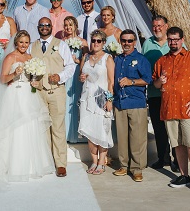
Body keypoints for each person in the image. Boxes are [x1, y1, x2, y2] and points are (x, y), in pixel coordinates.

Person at [0, 30, 54, 190]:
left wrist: (35, 82)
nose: (24, 45)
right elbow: (2, 79)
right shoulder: (10, 57)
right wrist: (14, 73)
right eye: (21, 42)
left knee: (29, 126)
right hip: (13, 95)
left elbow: (35, 76)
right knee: (12, 128)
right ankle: (12, 166)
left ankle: (30, 166)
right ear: (16, 42)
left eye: (27, 42)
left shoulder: (30, 58)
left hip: (28, 95)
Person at [153, 26, 190, 196]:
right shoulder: (162, 60)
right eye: (170, 39)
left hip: (188, 110)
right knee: (177, 145)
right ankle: (184, 176)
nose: (173, 42)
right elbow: (155, 84)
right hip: (170, 109)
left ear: (182, 40)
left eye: (176, 39)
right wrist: (160, 81)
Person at [30, 17, 75, 177]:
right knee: (42, 127)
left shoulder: (61, 44)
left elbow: (71, 65)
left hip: (56, 91)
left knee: (57, 127)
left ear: (51, 27)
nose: (44, 27)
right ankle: (46, 161)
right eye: (41, 25)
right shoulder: (32, 46)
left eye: (47, 25)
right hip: (38, 93)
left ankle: (61, 164)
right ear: (38, 27)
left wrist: (61, 76)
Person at [112, 29, 152, 182]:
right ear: (120, 42)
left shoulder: (141, 59)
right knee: (122, 137)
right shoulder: (117, 59)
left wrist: (131, 81)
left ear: (135, 42)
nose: (126, 43)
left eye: (129, 41)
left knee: (137, 137)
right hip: (120, 102)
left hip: (136, 102)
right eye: (124, 41)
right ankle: (123, 165)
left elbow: (147, 79)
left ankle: (137, 168)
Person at [142, 15, 179, 172]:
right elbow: (143, 66)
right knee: (159, 128)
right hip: (154, 93)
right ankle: (163, 158)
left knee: (174, 129)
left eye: (159, 25)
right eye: (154, 26)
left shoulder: (174, 43)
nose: (157, 28)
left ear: (166, 26)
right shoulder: (147, 43)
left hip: (172, 95)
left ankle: (178, 160)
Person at [78, 29, 115, 175]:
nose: (95, 43)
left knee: (102, 130)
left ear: (104, 43)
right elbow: (81, 75)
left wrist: (110, 100)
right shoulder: (86, 56)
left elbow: (111, 81)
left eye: (99, 41)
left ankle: (102, 162)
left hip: (101, 98)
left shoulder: (108, 58)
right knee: (89, 129)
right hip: (87, 98)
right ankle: (94, 161)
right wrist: (82, 78)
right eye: (93, 40)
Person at [62, 15, 87, 143]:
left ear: (75, 26)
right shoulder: (61, 42)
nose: (68, 27)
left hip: (78, 73)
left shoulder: (82, 42)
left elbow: (87, 59)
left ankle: (78, 134)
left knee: (77, 102)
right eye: (66, 25)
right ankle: (67, 133)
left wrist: (78, 61)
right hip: (67, 74)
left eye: (70, 25)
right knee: (66, 102)